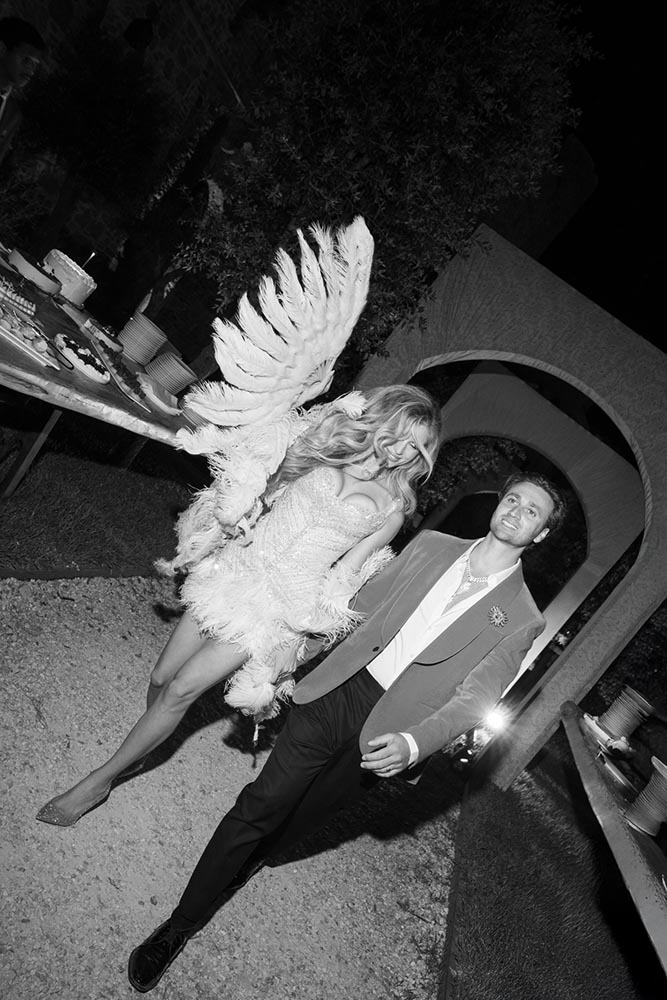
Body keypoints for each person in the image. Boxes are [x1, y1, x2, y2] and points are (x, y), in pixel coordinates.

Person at [124, 471, 566, 993]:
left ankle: (251, 860)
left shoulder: (522, 618)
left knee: (301, 820)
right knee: (262, 803)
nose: (516, 511)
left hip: (393, 734)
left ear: (540, 534)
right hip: (339, 691)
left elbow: (476, 698)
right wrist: (296, 652)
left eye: (531, 511)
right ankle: (179, 926)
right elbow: (360, 607)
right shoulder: (432, 545)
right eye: (512, 499)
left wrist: (415, 744)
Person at [36, 384, 442, 827]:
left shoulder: (391, 511)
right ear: (381, 422)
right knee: (161, 676)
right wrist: (237, 510)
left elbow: (344, 577)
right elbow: (266, 485)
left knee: (182, 689)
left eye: (416, 446)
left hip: (279, 607)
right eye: (401, 434)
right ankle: (143, 743)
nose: (403, 450)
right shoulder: (328, 446)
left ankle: (98, 781)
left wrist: (299, 640)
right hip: (235, 569)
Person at [0, 17, 45, 167]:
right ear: (2, 50)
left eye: (35, 65)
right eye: (26, 59)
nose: (31, 70)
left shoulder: (14, 114)